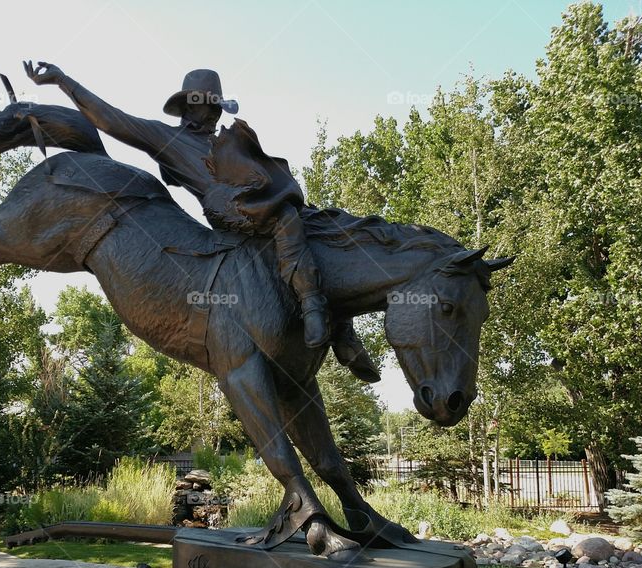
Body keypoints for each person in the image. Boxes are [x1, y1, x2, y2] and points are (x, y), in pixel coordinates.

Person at [26, 63, 379, 371]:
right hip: (232, 210)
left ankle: (343, 332)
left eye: (216, 107)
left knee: (326, 226)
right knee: (284, 218)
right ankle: (314, 308)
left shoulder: (226, 142)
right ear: (187, 108)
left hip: (257, 202)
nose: (213, 113)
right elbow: (110, 118)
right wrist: (63, 81)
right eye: (207, 106)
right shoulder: (166, 137)